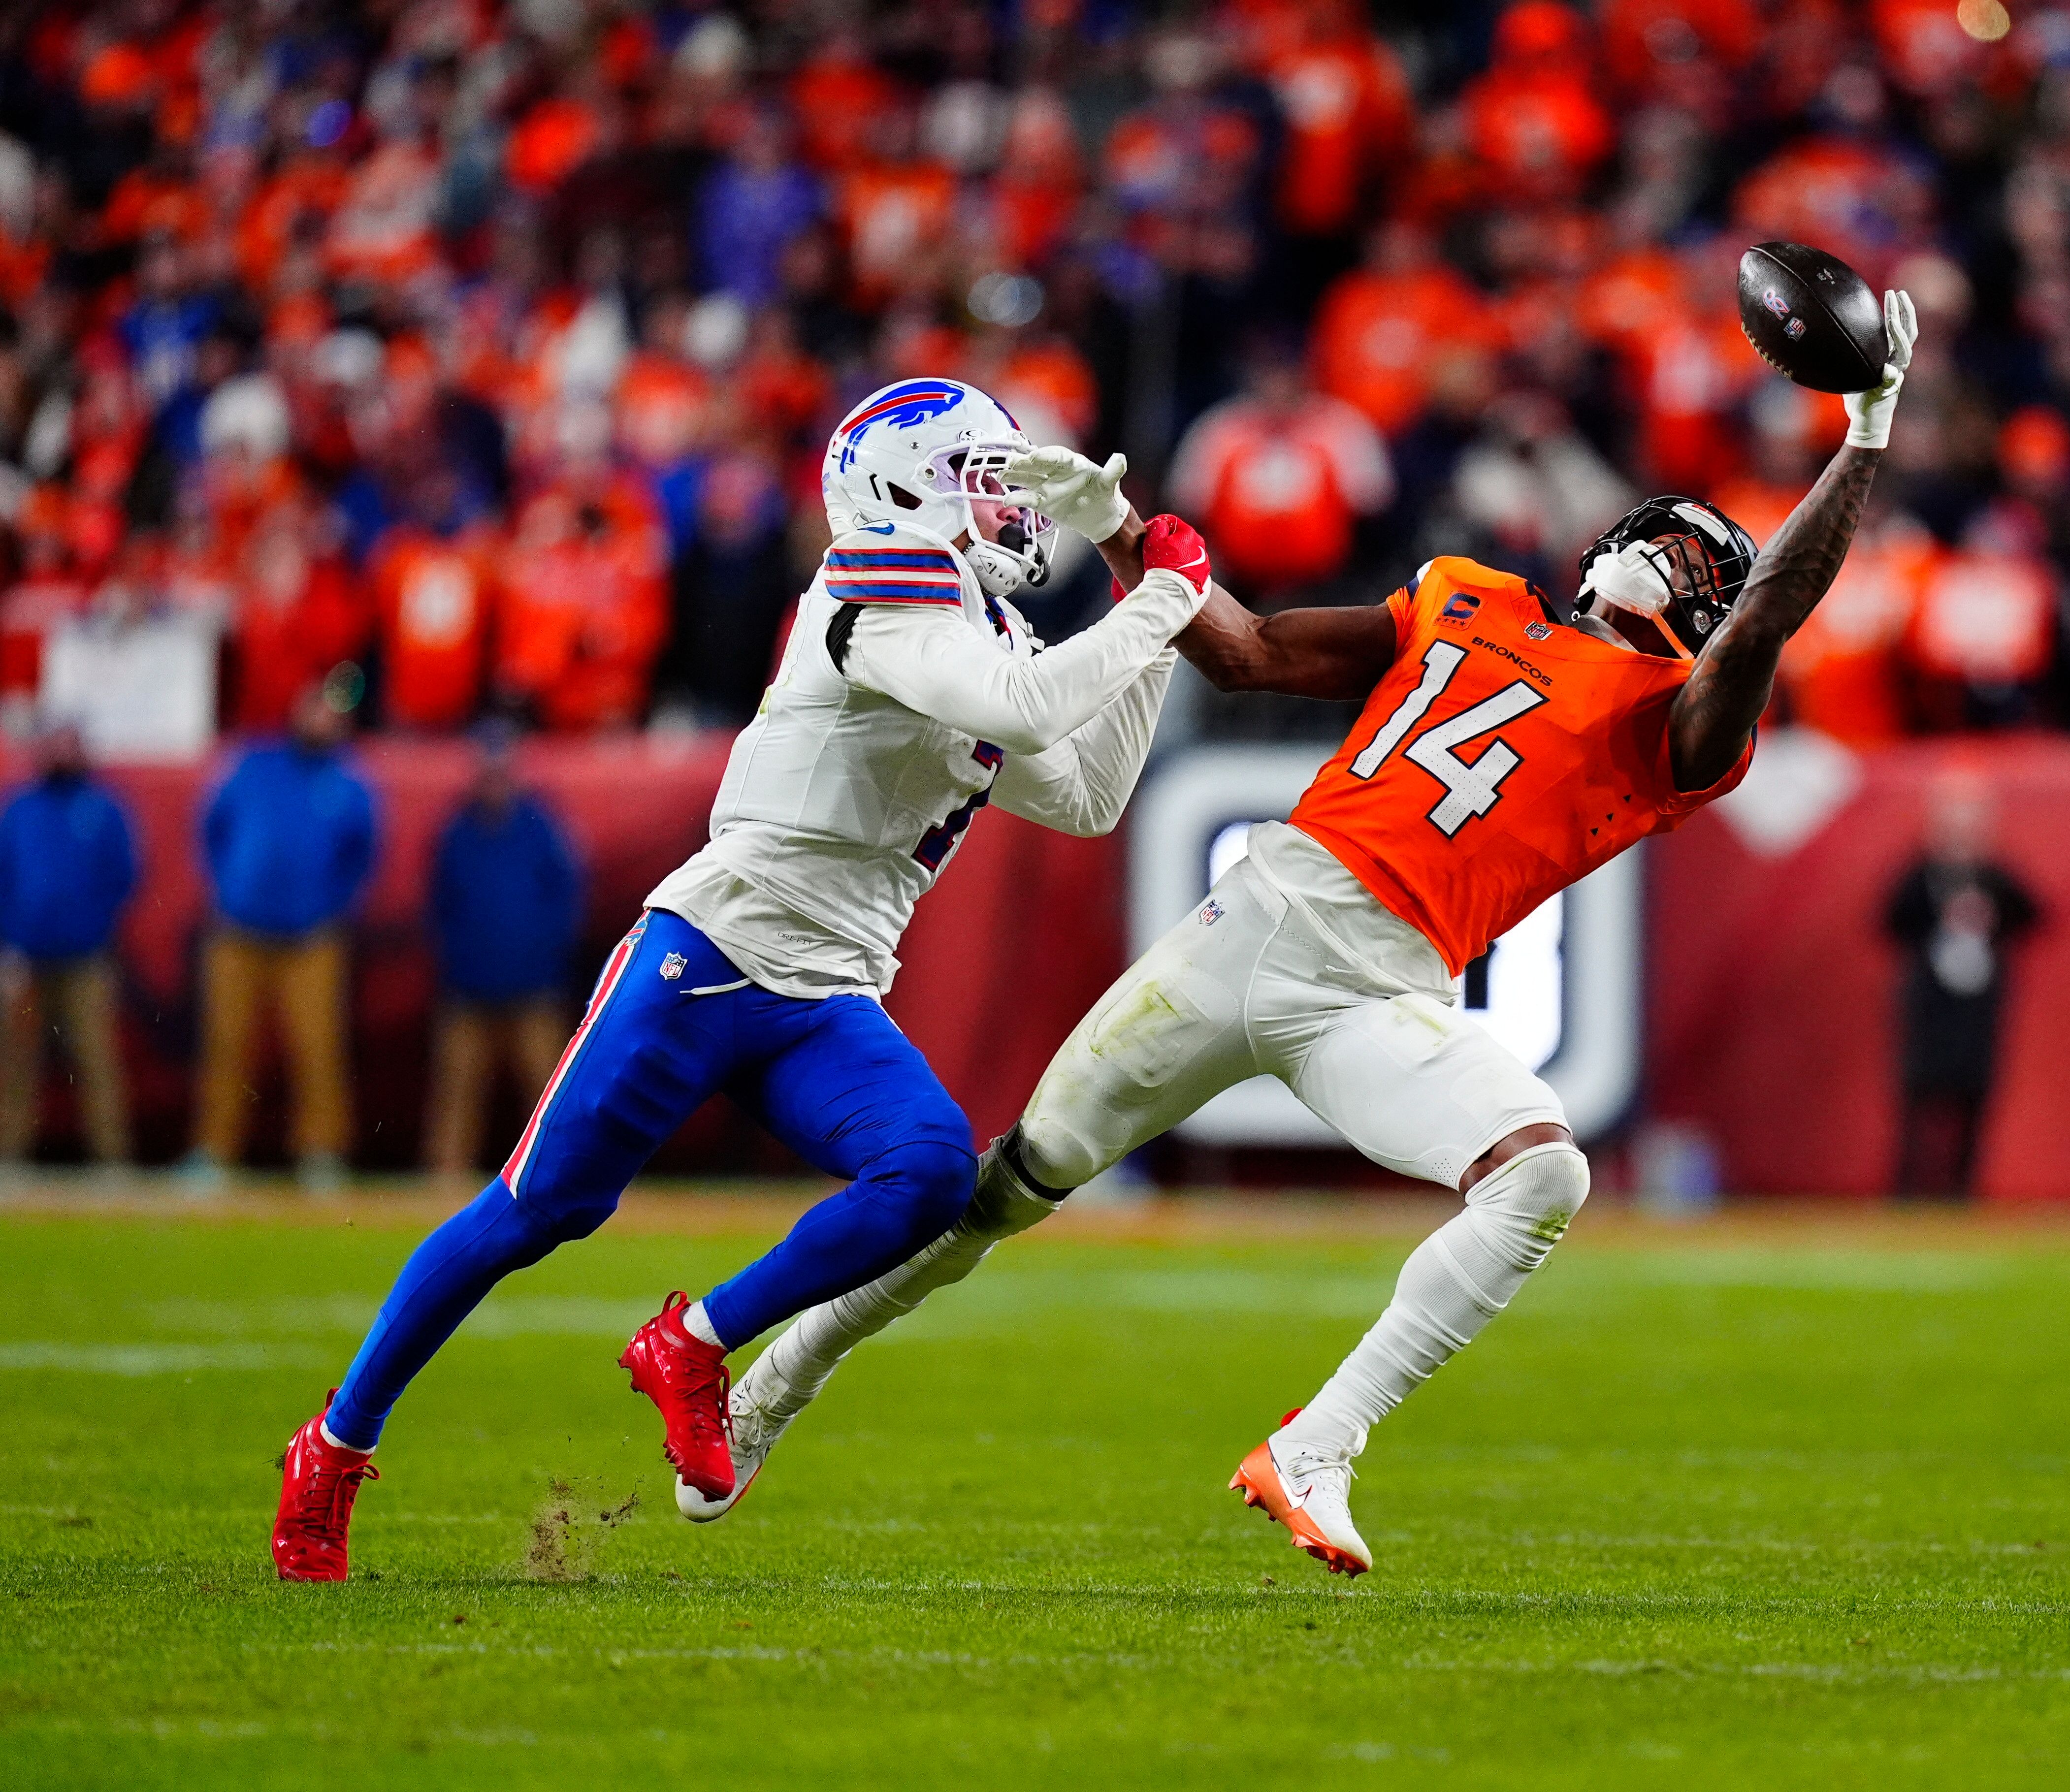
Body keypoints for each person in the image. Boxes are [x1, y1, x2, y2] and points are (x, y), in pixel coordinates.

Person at [707, 294, 1924, 1576]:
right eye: (1663, 535)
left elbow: (1772, 613)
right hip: (1261, 915)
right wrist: (1126, 533)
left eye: (1700, 561)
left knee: (1542, 1175)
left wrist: (1866, 434)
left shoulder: (1677, 723)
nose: (1669, 553)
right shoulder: (1471, 597)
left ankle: (1319, 1443)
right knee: (999, 1190)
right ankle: (781, 1376)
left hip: (1382, 989)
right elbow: (1243, 652)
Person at [268, 378, 1206, 1582]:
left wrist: (1148, 599)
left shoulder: (984, 624)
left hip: (828, 992)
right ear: (904, 491)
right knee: (534, 1212)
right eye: (981, 476)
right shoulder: (877, 584)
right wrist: (1165, 596)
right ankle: (336, 1443)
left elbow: (1086, 795)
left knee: (925, 1175)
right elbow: (1023, 711)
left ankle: (696, 1342)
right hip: (708, 954)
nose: (1006, 505)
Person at [191, 687, 379, 1193]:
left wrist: (332, 908)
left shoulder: (347, 780)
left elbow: (361, 855)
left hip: (310, 938)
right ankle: (215, 1151)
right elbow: (212, 830)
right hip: (240, 930)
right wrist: (229, 890)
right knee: (227, 1045)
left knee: (316, 1048)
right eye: (313, 708)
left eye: (331, 713)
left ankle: (320, 1153)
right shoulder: (253, 765)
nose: (321, 720)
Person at [424, 740, 585, 1178]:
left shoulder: (541, 827)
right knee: (458, 1090)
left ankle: (560, 1174)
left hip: (534, 986)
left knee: (548, 1090)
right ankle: (446, 1177)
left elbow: (567, 898)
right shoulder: (457, 831)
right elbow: (441, 905)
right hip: (470, 987)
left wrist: (546, 958)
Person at [1879, 773, 2040, 1200]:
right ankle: (1910, 1189)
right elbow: (1890, 920)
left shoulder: (1995, 878)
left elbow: (2035, 915)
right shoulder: (1921, 876)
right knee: (1919, 1097)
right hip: (1931, 1006)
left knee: (1974, 1098)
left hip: (1977, 1009)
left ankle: (1962, 1190)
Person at [0, 725, 140, 1169]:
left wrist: (95, 925)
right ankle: (10, 1154)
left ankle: (111, 1157)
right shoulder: (20, 809)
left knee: (96, 1059)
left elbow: (123, 875)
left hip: (86, 956)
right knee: (16, 1062)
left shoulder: (102, 808)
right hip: (25, 955)